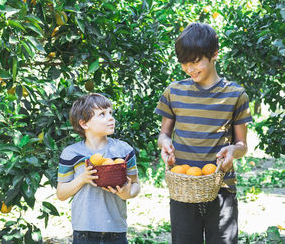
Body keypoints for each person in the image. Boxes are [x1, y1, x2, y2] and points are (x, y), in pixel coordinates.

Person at [155, 23, 252, 244]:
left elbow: (242, 145)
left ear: (215, 54)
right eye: (184, 63)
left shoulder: (235, 94)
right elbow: (163, 134)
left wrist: (233, 151)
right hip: (183, 187)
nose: (190, 69)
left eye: (196, 61)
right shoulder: (173, 92)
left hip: (221, 188)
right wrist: (165, 144)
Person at [57, 93, 140, 244]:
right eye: (102, 114)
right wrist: (82, 178)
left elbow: (136, 184)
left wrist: (126, 194)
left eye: (110, 113)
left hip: (116, 230)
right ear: (84, 123)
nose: (110, 118)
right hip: (84, 231)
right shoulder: (71, 153)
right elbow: (61, 194)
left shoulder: (124, 150)